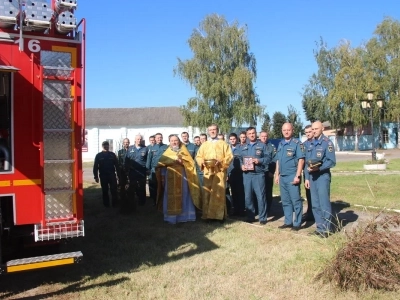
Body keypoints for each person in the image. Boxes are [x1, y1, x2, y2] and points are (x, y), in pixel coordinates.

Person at [156, 135, 201, 224]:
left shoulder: (184, 151)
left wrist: (183, 162)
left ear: (179, 141)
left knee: (184, 194)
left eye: (176, 140)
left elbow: (191, 164)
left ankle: (184, 216)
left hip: (183, 177)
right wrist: (162, 176)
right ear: (169, 142)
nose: (174, 142)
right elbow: (160, 164)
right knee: (170, 196)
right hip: (170, 178)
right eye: (172, 141)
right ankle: (171, 217)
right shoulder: (167, 153)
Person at [304, 121, 336, 238]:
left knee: (324, 203)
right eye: (313, 129)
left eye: (316, 129)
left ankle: (327, 229)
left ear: (322, 128)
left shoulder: (327, 143)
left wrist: (319, 168)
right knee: (315, 204)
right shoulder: (310, 144)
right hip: (312, 177)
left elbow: (332, 161)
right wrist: (307, 178)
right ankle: (320, 227)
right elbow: (307, 163)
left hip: (322, 176)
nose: (314, 131)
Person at [196, 124, 233, 221]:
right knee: (207, 192)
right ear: (208, 131)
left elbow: (229, 156)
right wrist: (202, 162)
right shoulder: (204, 144)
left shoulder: (223, 144)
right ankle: (207, 215)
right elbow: (199, 156)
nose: (212, 131)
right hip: (207, 173)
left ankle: (219, 216)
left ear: (217, 130)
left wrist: (221, 161)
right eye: (210, 130)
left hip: (219, 172)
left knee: (219, 193)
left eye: (214, 130)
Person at [274, 123, 305, 231]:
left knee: (296, 200)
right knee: (285, 200)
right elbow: (278, 160)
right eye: (284, 130)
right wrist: (277, 174)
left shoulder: (297, 143)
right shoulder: (281, 143)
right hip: (283, 176)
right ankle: (288, 222)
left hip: (292, 176)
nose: (286, 132)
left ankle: (297, 223)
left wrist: (297, 175)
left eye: (288, 130)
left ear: (292, 130)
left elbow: (301, 160)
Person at [240, 127, 271, 225]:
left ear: (256, 134)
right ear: (247, 135)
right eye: (249, 133)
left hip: (258, 174)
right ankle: (250, 216)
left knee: (260, 196)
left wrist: (259, 161)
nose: (251, 135)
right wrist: (242, 166)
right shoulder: (243, 147)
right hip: (247, 175)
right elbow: (241, 160)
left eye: (253, 133)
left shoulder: (262, 145)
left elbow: (268, 158)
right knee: (248, 197)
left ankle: (262, 218)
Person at [93, 141, 119, 207]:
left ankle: (115, 204)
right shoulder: (98, 155)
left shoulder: (112, 155)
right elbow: (95, 166)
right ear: (102, 146)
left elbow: (117, 165)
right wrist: (96, 176)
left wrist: (118, 175)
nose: (106, 147)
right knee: (105, 190)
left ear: (108, 146)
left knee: (114, 190)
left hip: (112, 175)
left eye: (107, 145)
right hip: (103, 175)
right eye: (104, 145)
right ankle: (106, 205)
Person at [125, 134, 148, 207]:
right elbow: (127, 160)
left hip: (142, 171)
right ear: (135, 140)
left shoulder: (145, 148)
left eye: (140, 139)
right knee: (132, 186)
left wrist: (147, 169)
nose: (139, 140)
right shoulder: (130, 148)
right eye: (137, 139)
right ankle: (132, 202)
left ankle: (142, 203)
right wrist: (127, 169)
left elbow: (148, 160)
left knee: (142, 187)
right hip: (133, 171)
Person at [146, 133, 168, 205]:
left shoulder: (166, 147)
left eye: (160, 137)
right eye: (158, 138)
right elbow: (149, 159)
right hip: (154, 170)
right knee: (154, 185)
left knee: (164, 185)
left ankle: (163, 200)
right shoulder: (151, 148)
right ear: (155, 139)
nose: (159, 139)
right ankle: (154, 200)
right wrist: (147, 169)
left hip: (164, 169)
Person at [227, 133, 245, 216]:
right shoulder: (228, 149)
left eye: (234, 139)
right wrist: (227, 174)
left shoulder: (240, 148)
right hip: (231, 173)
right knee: (233, 192)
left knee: (240, 192)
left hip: (239, 173)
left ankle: (241, 210)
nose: (232, 140)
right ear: (229, 140)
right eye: (231, 139)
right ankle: (235, 209)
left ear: (237, 139)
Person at [259, 131, 276, 215]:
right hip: (258, 173)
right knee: (260, 192)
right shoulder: (257, 145)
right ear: (260, 136)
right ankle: (260, 210)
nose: (264, 138)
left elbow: (274, 160)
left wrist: (272, 171)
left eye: (265, 136)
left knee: (268, 192)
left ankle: (268, 210)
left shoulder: (271, 147)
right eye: (262, 136)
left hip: (268, 172)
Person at [302, 125, 315, 222]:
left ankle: (318, 214)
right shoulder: (304, 145)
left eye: (309, 131)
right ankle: (310, 213)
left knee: (317, 195)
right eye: (306, 132)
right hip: (307, 173)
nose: (308, 134)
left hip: (317, 172)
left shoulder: (318, 143)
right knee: (309, 194)